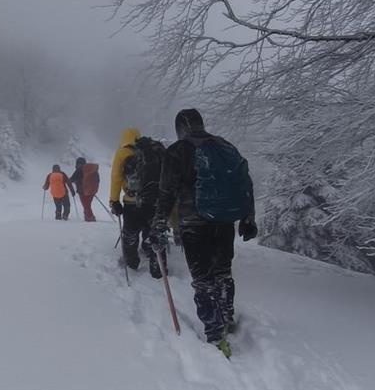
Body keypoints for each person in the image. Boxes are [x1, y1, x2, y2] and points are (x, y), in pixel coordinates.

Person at [150, 109, 258, 356]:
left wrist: (158, 224)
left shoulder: (177, 151)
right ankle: (227, 316)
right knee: (222, 272)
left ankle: (215, 335)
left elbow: (166, 193)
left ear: (180, 127)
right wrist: (248, 218)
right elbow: (244, 183)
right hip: (223, 222)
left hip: (193, 224)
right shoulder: (224, 145)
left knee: (203, 280)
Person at [109, 128, 165, 279]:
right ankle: (157, 267)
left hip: (131, 203)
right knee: (153, 233)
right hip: (153, 202)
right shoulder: (153, 151)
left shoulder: (122, 153)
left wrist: (114, 200)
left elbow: (116, 178)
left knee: (130, 234)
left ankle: (132, 263)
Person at [70, 157, 99, 221]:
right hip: (91, 191)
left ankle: (89, 217)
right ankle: (88, 216)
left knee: (86, 205)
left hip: (82, 191)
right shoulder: (91, 170)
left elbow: (71, 179)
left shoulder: (78, 170)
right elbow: (98, 179)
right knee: (87, 205)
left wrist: (76, 181)